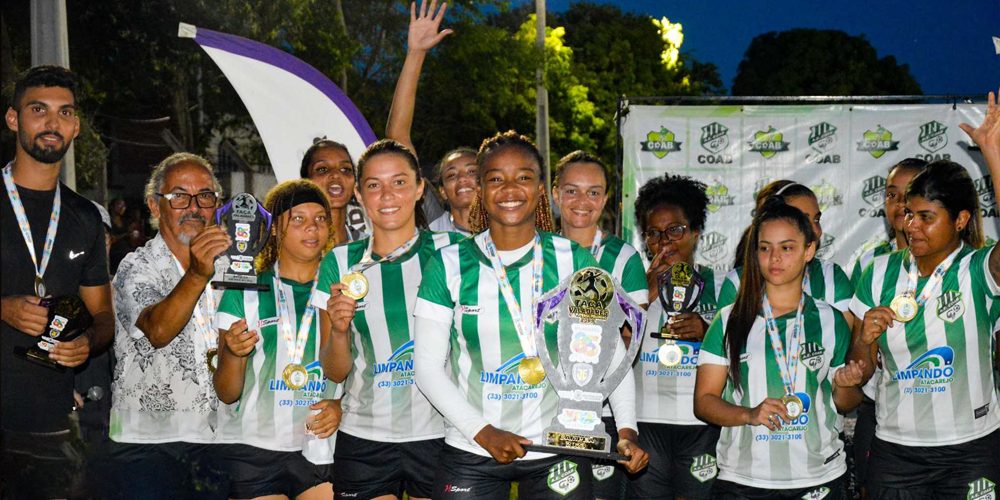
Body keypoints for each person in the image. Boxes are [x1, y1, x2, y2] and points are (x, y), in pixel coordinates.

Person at [412, 130, 648, 499]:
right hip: (472, 446)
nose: (510, 189)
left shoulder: (573, 260)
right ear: (480, 189)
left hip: (558, 445)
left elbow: (609, 353)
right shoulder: (448, 263)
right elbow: (426, 367)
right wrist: (483, 432)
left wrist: (627, 431)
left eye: (523, 177)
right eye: (496, 179)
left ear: (540, 189)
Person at [849, 90, 1000, 499]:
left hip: (972, 448)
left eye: (926, 217)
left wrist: (993, 154)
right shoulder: (878, 272)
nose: (910, 225)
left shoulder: (977, 269)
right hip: (897, 450)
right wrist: (864, 340)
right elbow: (861, 366)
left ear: (961, 219)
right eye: (909, 214)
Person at [314, 139, 462, 499]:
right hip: (365, 438)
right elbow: (334, 370)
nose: (387, 196)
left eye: (399, 182)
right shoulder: (340, 261)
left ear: (420, 188)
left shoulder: (453, 251)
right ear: (359, 196)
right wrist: (339, 331)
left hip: (443, 433)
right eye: (374, 185)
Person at [694, 197, 865, 498]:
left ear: (808, 250)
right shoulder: (729, 320)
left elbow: (845, 402)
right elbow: (704, 402)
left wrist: (846, 383)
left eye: (786, 248)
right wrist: (748, 414)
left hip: (818, 477)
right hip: (744, 479)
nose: (774, 258)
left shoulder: (831, 319)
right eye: (765, 248)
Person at [0, 65, 114, 499]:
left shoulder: (84, 218)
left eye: (64, 112)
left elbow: (103, 317)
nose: (52, 122)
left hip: (49, 420)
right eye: (38, 110)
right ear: (14, 119)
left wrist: (87, 342)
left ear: (76, 126)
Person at [106, 152, 231, 499]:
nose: (194, 207)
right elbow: (158, 331)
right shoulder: (136, 266)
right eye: (179, 196)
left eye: (205, 196)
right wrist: (197, 274)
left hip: (220, 438)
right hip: (150, 445)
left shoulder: (233, 267)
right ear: (154, 205)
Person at [213, 180, 342, 499]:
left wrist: (343, 405)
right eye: (297, 219)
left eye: (320, 218)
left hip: (321, 447)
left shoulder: (342, 290)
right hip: (255, 450)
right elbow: (227, 392)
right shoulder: (245, 290)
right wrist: (233, 353)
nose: (311, 227)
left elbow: (362, 367)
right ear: (273, 228)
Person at [551, 149, 647, 499]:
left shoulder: (624, 257)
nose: (582, 201)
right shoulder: (538, 252)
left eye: (593, 192)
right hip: (547, 406)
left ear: (606, 198)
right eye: (572, 190)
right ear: (555, 194)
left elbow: (629, 339)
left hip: (604, 407)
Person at [627, 173, 724, 500]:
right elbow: (615, 347)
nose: (664, 241)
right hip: (645, 420)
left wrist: (707, 332)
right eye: (653, 233)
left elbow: (744, 349)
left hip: (701, 423)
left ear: (695, 232)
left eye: (675, 230)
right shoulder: (633, 285)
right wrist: (644, 295)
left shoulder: (721, 285)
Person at [845, 157, 927, 497]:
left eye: (909, 195)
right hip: (880, 407)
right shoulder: (870, 263)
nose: (899, 204)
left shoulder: (960, 262)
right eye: (892, 195)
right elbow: (856, 347)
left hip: (940, 410)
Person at [384, 0, 478, 237]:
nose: (463, 179)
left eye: (472, 172)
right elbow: (397, 136)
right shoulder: (436, 225)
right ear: (442, 192)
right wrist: (416, 53)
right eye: (451, 175)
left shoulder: (510, 231)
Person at [718, 180, 854, 327]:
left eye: (816, 219)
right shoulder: (737, 283)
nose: (816, 230)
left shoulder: (830, 275)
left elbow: (844, 337)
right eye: (802, 220)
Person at [300, 138, 366, 244]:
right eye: (322, 169)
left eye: (345, 169)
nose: (336, 175)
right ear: (305, 182)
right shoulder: (295, 248)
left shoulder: (368, 246)